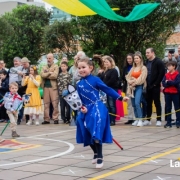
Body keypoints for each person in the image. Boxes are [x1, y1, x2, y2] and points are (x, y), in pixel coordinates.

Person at [76, 57, 129, 169]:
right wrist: (82, 107)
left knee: (96, 128)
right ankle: (95, 152)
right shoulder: (79, 84)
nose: (81, 70)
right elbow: (79, 100)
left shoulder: (95, 80)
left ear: (90, 68)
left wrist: (120, 97)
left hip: (97, 107)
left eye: (83, 67)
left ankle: (100, 155)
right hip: (86, 109)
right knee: (82, 126)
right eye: (79, 68)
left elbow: (107, 89)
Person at [144, 48, 165, 126]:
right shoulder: (146, 62)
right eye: (146, 53)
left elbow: (161, 73)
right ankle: (148, 119)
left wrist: (156, 83)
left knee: (157, 103)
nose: (146, 54)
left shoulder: (158, 62)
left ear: (153, 53)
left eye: (148, 53)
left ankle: (158, 119)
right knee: (148, 103)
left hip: (155, 86)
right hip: (148, 85)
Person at [126, 52, 147, 127]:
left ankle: (141, 119)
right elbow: (127, 77)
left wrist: (135, 82)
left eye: (137, 58)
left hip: (139, 87)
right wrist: (130, 81)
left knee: (138, 103)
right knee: (134, 104)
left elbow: (142, 78)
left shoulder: (143, 68)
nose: (135, 60)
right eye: (135, 58)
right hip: (131, 88)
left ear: (140, 59)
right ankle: (137, 119)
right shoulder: (133, 68)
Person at [99, 56, 119, 126]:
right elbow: (101, 79)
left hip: (111, 89)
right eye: (104, 62)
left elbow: (112, 80)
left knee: (112, 105)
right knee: (107, 105)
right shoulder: (105, 71)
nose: (105, 63)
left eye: (107, 62)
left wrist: (104, 86)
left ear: (111, 62)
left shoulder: (114, 70)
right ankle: (109, 119)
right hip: (105, 90)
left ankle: (113, 120)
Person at [41, 53, 59, 124]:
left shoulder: (56, 66)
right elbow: (42, 75)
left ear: (53, 59)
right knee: (46, 104)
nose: (48, 60)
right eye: (47, 58)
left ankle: (55, 118)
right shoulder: (44, 66)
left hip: (53, 87)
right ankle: (46, 119)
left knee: (55, 103)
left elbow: (55, 76)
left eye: (50, 58)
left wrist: (47, 74)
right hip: (45, 87)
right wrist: (49, 73)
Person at [162, 61, 180, 128]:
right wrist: (169, 83)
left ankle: (178, 121)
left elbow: (176, 83)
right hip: (167, 93)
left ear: (174, 66)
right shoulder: (166, 75)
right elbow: (163, 83)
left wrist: (168, 82)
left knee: (177, 107)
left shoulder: (177, 74)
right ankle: (168, 122)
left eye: (170, 66)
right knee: (168, 107)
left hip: (175, 93)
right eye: (168, 66)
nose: (168, 67)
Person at [17, 57, 31, 125]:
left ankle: (28, 119)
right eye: (22, 64)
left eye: (24, 64)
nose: (23, 65)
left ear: (28, 63)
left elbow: (31, 75)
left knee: (27, 104)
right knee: (20, 104)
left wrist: (23, 74)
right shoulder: (21, 68)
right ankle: (19, 118)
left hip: (27, 88)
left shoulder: (30, 68)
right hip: (21, 87)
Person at [122, 53, 135, 124]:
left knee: (135, 103)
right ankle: (130, 118)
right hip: (127, 86)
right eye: (127, 59)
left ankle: (136, 117)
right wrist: (125, 76)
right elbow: (122, 77)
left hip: (134, 85)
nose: (129, 60)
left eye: (130, 58)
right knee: (129, 102)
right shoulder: (125, 67)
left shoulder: (135, 67)